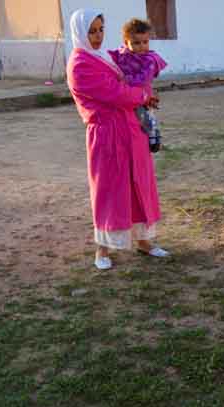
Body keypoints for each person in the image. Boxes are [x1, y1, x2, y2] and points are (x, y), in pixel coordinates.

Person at [66, 8, 169, 271]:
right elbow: (115, 92)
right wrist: (143, 96)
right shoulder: (80, 63)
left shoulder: (104, 57)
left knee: (139, 185)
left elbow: (131, 69)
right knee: (110, 190)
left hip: (131, 130)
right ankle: (102, 248)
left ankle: (144, 240)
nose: (98, 36)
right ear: (80, 32)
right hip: (107, 134)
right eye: (91, 31)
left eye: (101, 29)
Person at [109, 18, 167, 153]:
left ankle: (154, 136)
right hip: (126, 95)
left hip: (143, 96)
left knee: (146, 118)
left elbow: (143, 79)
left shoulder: (150, 60)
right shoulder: (122, 54)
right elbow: (109, 59)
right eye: (136, 43)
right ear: (126, 42)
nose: (141, 46)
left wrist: (124, 79)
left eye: (145, 42)